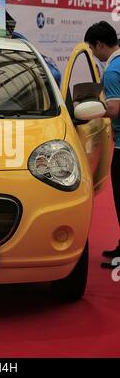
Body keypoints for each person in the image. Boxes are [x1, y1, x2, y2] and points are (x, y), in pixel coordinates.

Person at [84, 21, 120, 268]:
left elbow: (114, 109)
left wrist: (91, 110)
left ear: (99, 44)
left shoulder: (112, 71)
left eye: (92, 49)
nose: (93, 54)